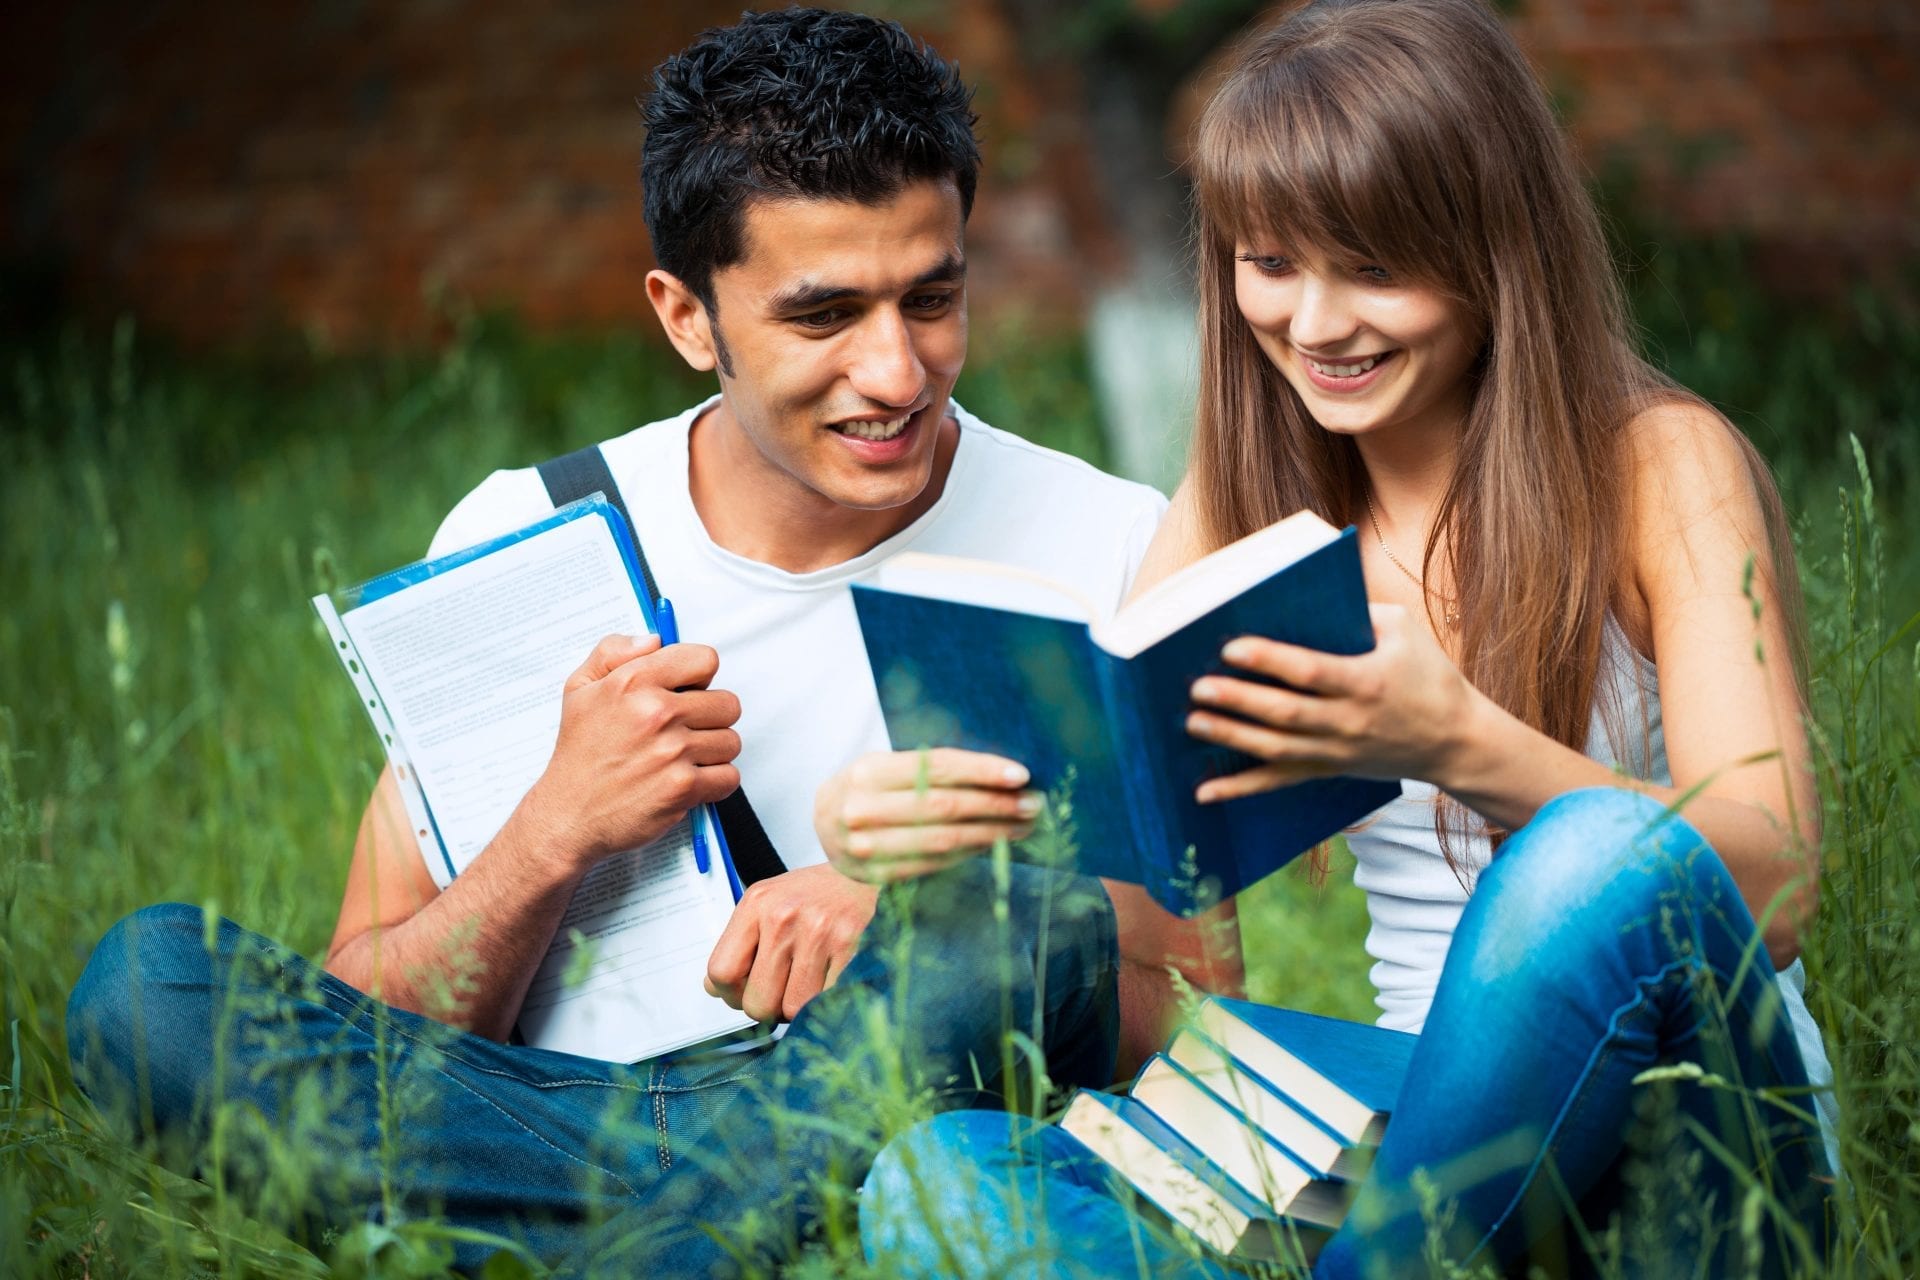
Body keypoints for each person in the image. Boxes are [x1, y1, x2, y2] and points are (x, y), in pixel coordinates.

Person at [63, 10, 1239, 1275]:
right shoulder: (533, 533)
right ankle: (712, 1236)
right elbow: (383, 1019)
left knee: (1014, 925)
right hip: (547, 1126)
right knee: (149, 986)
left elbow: (1189, 1023)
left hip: (894, 1107)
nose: (897, 370)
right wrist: (553, 828)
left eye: (933, 297)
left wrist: (910, 922)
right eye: (824, 314)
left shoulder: (1108, 543)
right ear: (688, 317)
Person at [856, 0, 1837, 1275]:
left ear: (1496, 246)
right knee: (941, 1178)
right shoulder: (1253, 489)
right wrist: (957, 832)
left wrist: (1465, 743)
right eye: (1270, 262)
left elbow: (1774, 885)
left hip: (1690, 1133)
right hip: (1425, 1123)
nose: (1314, 324)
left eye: (1373, 267)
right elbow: (1156, 929)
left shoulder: (1657, 464)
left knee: (1594, 852)